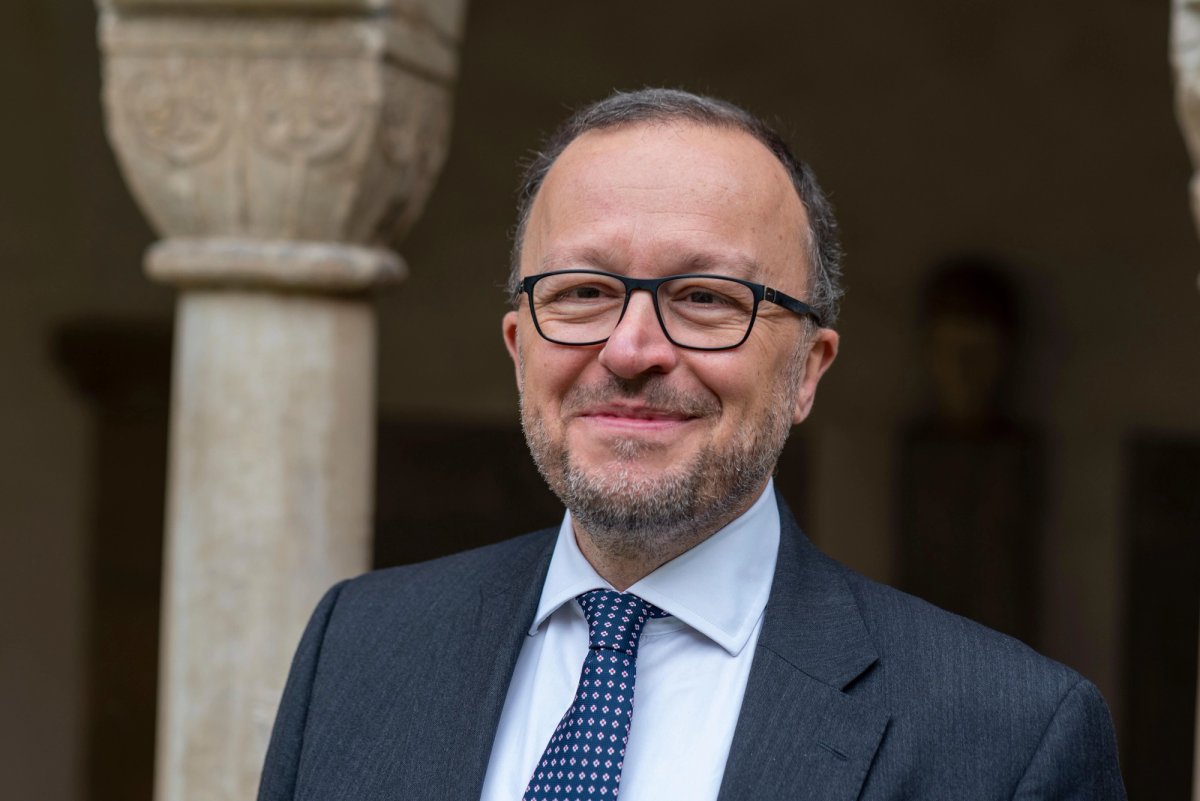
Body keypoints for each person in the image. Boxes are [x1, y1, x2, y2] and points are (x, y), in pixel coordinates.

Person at [257, 89, 1126, 801]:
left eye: (707, 298)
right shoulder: (358, 647)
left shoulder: (1007, 739)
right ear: (521, 345)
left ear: (808, 370)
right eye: (585, 291)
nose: (632, 349)